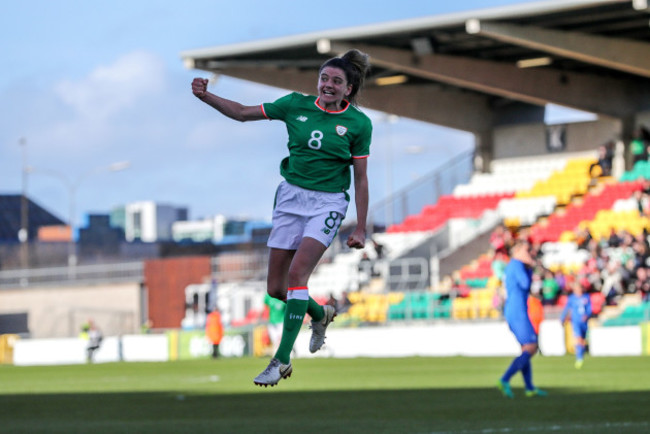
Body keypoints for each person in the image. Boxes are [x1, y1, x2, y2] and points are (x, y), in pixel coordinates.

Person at [192, 49, 372, 387]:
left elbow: (361, 178)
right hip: (290, 198)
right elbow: (244, 113)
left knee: (297, 274)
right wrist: (206, 96)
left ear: (348, 89)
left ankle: (281, 360)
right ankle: (320, 315)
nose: (328, 85)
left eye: (336, 81)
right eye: (324, 78)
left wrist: (361, 226)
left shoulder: (359, 124)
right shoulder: (295, 104)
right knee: (276, 288)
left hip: (328, 202)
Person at [497, 240, 547, 398]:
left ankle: (529, 387)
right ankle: (505, 379)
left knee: (526, 349)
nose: (530, 253)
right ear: (517, 252)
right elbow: (525, 284)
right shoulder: (517, 265)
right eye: (527, 250)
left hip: (515, 309)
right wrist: (531, 267)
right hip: (517, 310)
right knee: (531, 347)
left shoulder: (513, 265)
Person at [560, 280, 592, 369]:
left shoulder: (586, 297)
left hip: (584, 322)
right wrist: (562, 318)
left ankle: (581, 355)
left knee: (582, 340)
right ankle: (579, 358)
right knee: (578, 338)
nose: (577, 290)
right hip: (575, 321)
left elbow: (589, 308)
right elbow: (567, 308)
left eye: (578, 288)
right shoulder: (572, 298)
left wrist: (587, 315)